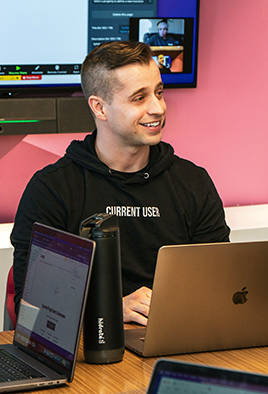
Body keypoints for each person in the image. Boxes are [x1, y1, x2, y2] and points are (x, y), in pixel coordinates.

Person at [10, 41, 230, 326]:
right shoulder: (52, 189)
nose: (158, 108)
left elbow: (220, 287)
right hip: (89, 348)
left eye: (159, 93)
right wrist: (112, 310)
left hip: (176, 337)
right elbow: (32, 307)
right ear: (99, 107)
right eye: (139, 98)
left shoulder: (193, 182)